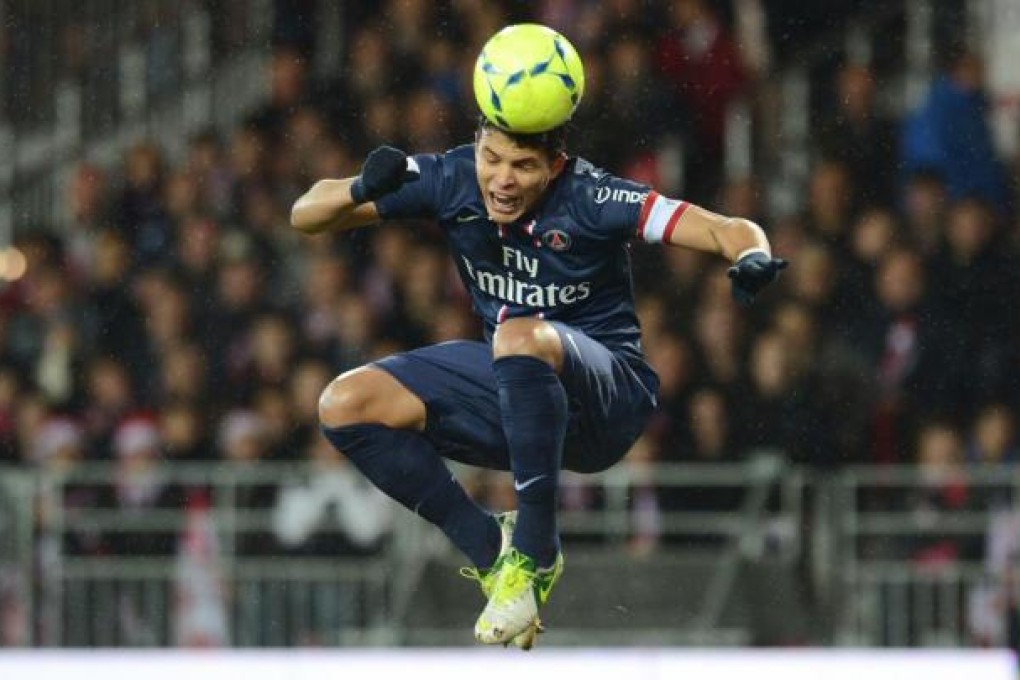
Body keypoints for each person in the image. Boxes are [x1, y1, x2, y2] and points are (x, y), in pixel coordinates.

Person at [290, 91, 786, 648]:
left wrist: (752, 256)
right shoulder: (449, 177)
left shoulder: (596, 198)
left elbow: (725, 228)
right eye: (491, 159)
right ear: (475, 148)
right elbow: (305, 214)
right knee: (343, 405)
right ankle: (490, 550)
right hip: (520, 390)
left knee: (517, 333)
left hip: (607, 399)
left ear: (555, 166)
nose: (501, 180)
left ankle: (536, 552)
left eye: (523, 166)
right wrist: (362, 187)